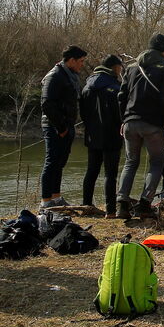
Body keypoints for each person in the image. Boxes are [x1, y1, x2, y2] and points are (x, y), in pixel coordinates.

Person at [116, 33, 164, 219]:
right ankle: (144, 205)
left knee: (130, 162)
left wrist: (123, 120)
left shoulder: (132, 67)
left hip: (130, 122)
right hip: (153, 124)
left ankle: (122, 204)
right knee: (156, 162)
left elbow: (121, 96)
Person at [39, 45, 86, 208]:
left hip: (67, 125)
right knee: (51, 162)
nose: (82, 64)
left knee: (60, 162)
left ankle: (56, 198)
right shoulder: (55, 75)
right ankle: (46, 202)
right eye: (81, 61)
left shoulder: (69, 75)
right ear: (71, 60)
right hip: (54, 126)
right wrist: (61, 128)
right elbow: (47, 104)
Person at [79, 54, 123, 217]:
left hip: (92, 135)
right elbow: (119, 113)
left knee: (91, 171)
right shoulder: (114, 87)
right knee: (110, 174)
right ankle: (110, 211)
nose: (120, 71)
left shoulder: (87, 86)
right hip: (111, 135)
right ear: (114, 67)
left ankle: (86, 205)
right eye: (119, 67)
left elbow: (83, 113)